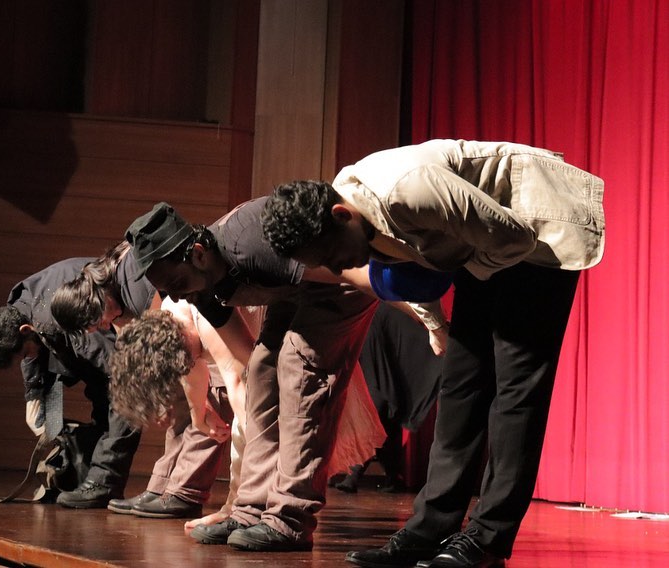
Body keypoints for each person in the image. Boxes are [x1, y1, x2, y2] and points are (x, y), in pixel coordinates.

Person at [260, 139, 605, 568]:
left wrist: (444, 276)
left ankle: (488, 539)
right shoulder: (354, 207)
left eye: (332, 256)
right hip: (487, 248)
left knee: (515, 391)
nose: (338, 268)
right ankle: (430, 528)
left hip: (537, 230)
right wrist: (434, 321)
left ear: (341, 214)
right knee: (461, 387)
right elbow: (414, 258)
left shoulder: (410, 189)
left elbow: (513, 238)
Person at [123, 199, 383, 552]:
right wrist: (234, 501)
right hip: (297, 289)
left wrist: (422, 311)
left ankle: (290, 517)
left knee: (299, 365)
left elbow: (348, 273)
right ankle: (251, 508)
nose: (176, 297)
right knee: (265, 368)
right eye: (166, 291)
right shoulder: (201, 288)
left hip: (345, 273)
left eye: (177, 283)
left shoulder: (244, 245)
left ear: (198, 254)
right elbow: (250, 360)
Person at [51, 242, 249, 519]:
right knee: (194, 408)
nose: (103, 328)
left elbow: (182, 349)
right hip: (190, 332)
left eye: (98, 323)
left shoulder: (138, 285)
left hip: (216, 316)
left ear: (96, 303)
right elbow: (163, 351)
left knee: (215, 400)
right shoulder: (113, 293)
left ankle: (185, 492)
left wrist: (201, 409)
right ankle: (164, 486)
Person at [0, 257, 141, 509]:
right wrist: (33, 398)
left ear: (25, 330)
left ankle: (102, 484)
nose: (26, 359)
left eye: (23, 354)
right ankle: (76, 474)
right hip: (71, 342)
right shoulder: (18, 307)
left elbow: (118, 367)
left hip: (106, 328)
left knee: (122, 395)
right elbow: (36, 356)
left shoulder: (58, 317)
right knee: (58, 416)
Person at [108, 298, 251, 529]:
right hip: (255, 353)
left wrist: (233, 507)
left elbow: (238, 382)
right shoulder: (171, 319)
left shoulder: (206, 321)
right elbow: (191, 369)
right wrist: (199, 416)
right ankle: (239, 508)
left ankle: (244, 510)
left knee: (247, 429)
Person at [331, 302, 444, 494]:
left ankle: (356, 475)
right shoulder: (380, 309)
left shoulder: (375, 311)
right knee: (386, 422)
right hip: (386, 380)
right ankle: (392, 477)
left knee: (379, 416)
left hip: (385, 380)